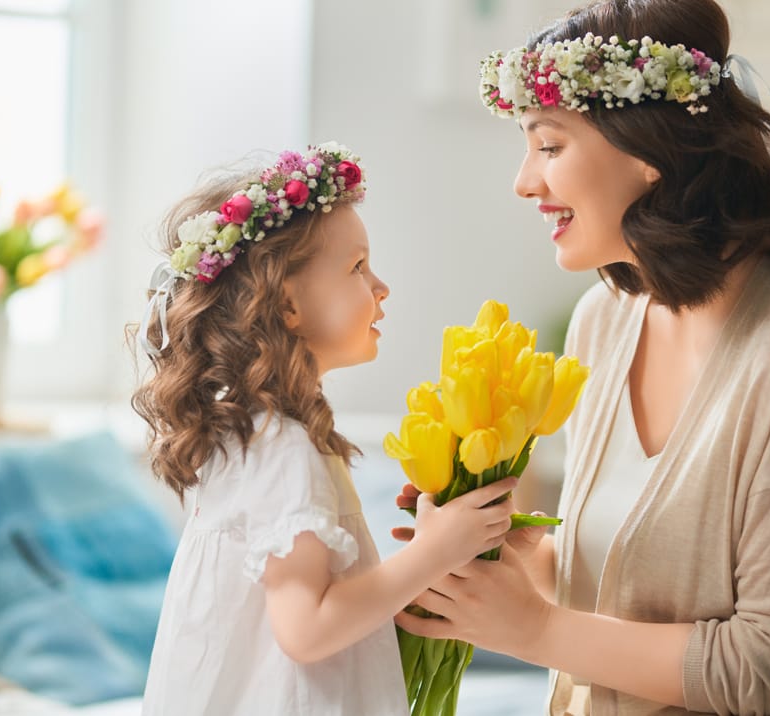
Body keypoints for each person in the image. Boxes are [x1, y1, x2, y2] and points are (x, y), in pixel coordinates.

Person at [393, 2, 770, 714]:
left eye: (549, 147)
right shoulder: (604, 320)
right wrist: (502, 560)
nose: (524, 182)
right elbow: (630, 583)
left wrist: (532, 628)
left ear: (648, 153)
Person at [131, 143, 517, 715]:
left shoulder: (257, 432)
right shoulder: (281, 445)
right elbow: (306, 630)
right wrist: (435, 552)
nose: (381, 287)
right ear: (286, 306)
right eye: (357, 268)